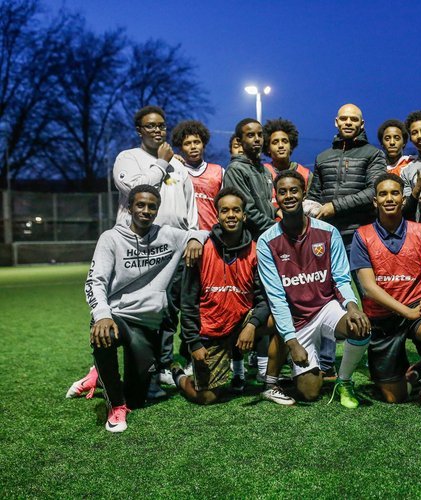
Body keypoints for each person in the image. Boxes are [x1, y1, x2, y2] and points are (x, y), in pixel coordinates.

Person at [68, 185, 206, 432]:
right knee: (103, 334)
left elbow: (205, 233)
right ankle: (116, 407)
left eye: (152, 206)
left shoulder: (168, 235)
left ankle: (99, 376)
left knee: (137, 399)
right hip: (117, 316)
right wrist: (102, 315)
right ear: (129, 207)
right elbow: (95, 282)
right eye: (140, 205)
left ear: (157, 210)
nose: (146, 210)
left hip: (148, 324)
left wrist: (195, 238)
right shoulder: (111, 238)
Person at [257, 170, 371, 408]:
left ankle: (344, 380)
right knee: (309, 393)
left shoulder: (328, 232)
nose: (289, 196)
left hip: (325, 308)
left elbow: (341, 279)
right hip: (297, 319)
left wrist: (352, 306)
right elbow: (276, 297)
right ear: (276, 196)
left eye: (294, 190)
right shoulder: (267, 241)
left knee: (360, 327)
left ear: (304, 193)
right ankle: (301, 368)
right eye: (282, 192)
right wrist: (292, 342)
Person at [173, 187, 293, 405]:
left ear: (244, 215)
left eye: (236, 210)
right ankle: (178, 375)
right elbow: (188, 302)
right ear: (217, 215)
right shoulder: (201, 249)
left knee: (282, 320)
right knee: (206, 397)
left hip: (241, 324)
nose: (231, 215)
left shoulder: (256, 251)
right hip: (211, 331)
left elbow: (264, 298)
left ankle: (270, 383)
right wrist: (194, 342)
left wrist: (251, 326)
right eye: (225, 210)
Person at [111, 105, 199, 396]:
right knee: (142, 312)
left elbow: (190, 207)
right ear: (139, 130)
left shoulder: (179, 166)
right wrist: (161, 162)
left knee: (172, 310)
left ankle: (164, 365)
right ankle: (143, 372)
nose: (158, 130)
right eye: (151, 126)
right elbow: (138, 191)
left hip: (175, 249)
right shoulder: (127, 158)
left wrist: (193, 238)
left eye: (161, 125)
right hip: (140, 248)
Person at [349, 173, 421, 415]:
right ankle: (417, 372)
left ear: (403, 199)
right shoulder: (362, 235)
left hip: (418, 310)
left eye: (394, 193)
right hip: (383, 318)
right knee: (395, 397)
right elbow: (369, 288)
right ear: (375, 201)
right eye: (383, 194)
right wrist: (406, 311)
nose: (389, 198)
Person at [308, 103, 386, 377]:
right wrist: (310, 208)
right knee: (325, 296)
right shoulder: (323, 157)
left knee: (369, 297)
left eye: (354, 119)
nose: (349, 122)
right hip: (327, 237)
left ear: (362, 124)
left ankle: (379, 359)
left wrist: (334, 207)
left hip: (360, 235)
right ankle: (326, 363)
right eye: (344, 118)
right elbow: (314, 195)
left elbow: (374, 191)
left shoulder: (372, 154)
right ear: (336, 121)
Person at [223, 118, 275, 241]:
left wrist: (277, 211)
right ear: (239, 141)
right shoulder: (236, 170)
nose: (257, 139)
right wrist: (277, 228)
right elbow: (247, 211)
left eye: (260, 135)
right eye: (251, 135)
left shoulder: (265, 170)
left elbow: (266, 204)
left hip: (267, 236)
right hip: (249, 240)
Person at [171, 120, 224, 231]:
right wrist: (171, 163)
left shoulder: (219, 172)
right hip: (185, 235)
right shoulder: (176, 172)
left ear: (203, 144)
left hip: (213, 235)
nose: (193, 147)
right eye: (187, 143)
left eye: (196, 142)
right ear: (181, 148)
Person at [262, 118, 313, 210]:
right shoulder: (261, 173)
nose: (281, 145)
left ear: (291, 145)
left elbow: (311, 205)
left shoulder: (306, 174)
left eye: (285, 141)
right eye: (275, 142)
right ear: (268, 148)